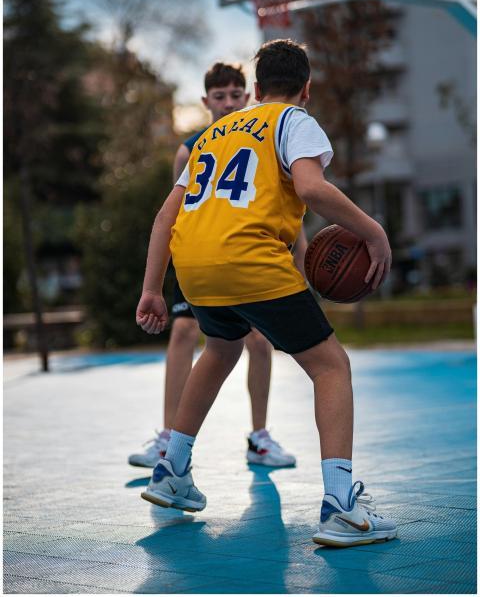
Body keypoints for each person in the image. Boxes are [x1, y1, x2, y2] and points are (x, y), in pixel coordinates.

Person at [135, 39, 398, 547]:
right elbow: (313, 188)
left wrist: (152, 288)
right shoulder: (292, 120)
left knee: (220, 349)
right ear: (306, 89)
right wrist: (374, 232)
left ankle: (171, 470)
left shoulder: (213, 134)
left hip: (197, 267)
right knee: (330, 366)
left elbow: (167, 215)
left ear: (254, 90)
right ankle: (341, 506)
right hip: (250, 260)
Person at [129, 62, 301, 470]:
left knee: (258, 341)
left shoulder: (262, 137)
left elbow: (286, 204)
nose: (227, 103)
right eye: (219, 96)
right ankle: (170, 436)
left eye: (235, 95)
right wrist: (160, 279)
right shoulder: (191, 148)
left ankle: (260, 437)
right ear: (206, 102)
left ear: (248, 96)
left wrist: (300, 257)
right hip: (199, 256)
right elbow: (174, 213)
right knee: (184, 330)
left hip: (248, 257)